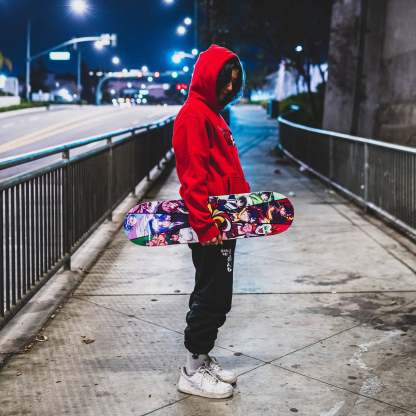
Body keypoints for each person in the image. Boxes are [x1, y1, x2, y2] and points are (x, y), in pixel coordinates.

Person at [172, 44, 251, 399]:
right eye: (224, 80)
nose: (230, 87)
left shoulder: (213, 115)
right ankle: (191, 372)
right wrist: (205, 227)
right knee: (211, 296)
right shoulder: (194, 115)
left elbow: (225, 170)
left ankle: (201, 359)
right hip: (211, 228)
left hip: (223, 225)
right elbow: (193, 179)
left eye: (235, 81)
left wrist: (241, 212)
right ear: (207, 77)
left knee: (216, 294)